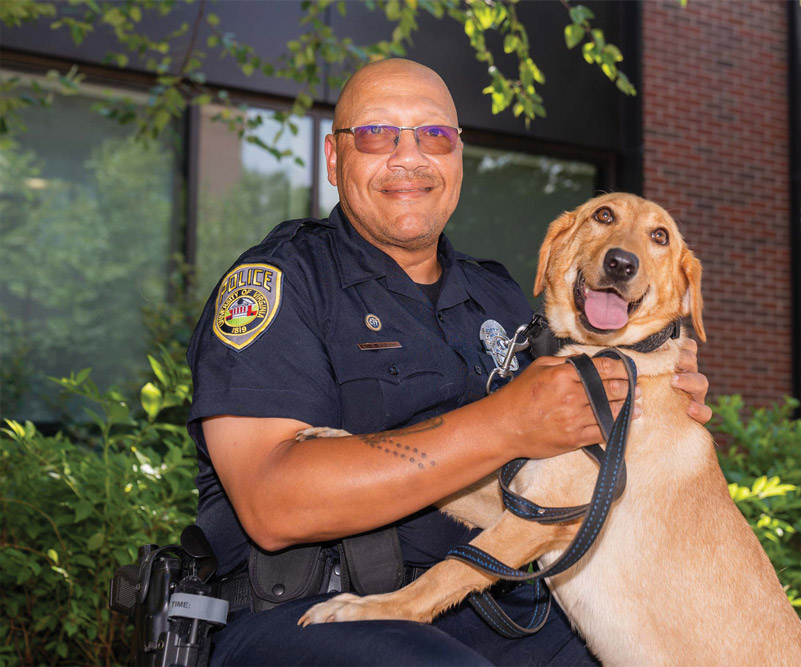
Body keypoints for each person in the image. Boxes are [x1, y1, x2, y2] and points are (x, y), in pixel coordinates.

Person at [186, 58, 711, 666]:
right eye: (377, 134)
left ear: (457, 157)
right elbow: (273, 505)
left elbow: (569, 472)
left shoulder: (501, 299)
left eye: (433, 135)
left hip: (506, 606)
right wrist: (507, 422)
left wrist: (653, 383)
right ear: (334, 159)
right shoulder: (282, 283)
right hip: (311, 613)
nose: (409, 157)